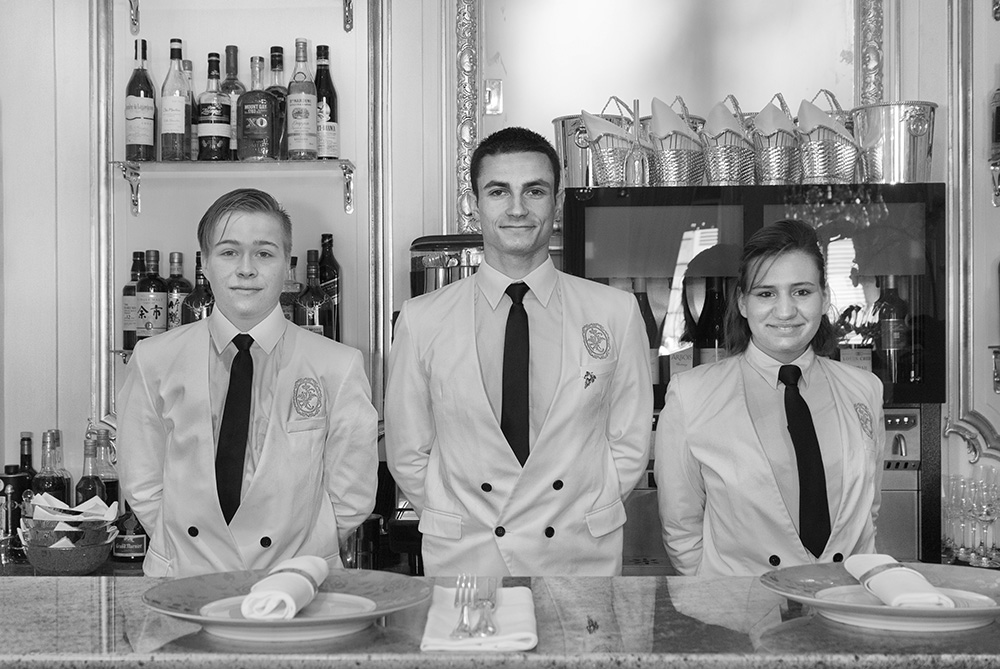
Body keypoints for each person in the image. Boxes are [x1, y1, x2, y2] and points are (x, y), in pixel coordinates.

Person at [384, 126, 652, 577]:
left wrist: (580, 511)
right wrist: (461, 514)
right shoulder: (420, 318)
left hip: (577, 554)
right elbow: (409, 453)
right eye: (497, 191)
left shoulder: (615, 312)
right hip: (468, 557)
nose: (516, 208)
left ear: (558, 202)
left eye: (534, 191)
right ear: (472, 204)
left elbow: (629, 443)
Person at [117, 188, 378, 578]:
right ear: (204, 264)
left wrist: (311, 547)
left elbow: (352, 492)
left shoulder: (337, 365)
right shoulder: (154, 359)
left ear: (287, 266)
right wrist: (188, 549)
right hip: (185, 578)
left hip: (296, 581)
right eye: (228, 252)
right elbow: (141, 477)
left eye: (264, 253)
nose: (246, 269)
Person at [655, 219, 885, 577]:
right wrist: (719, 595)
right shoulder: (692, 394)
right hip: (743, 608)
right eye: (766, 293)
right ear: (743, 303)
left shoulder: (864, 389)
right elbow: (680, 523)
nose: (785, 311)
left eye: (801, 291)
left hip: (844, 599)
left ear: (824, 297)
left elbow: (869, 508)